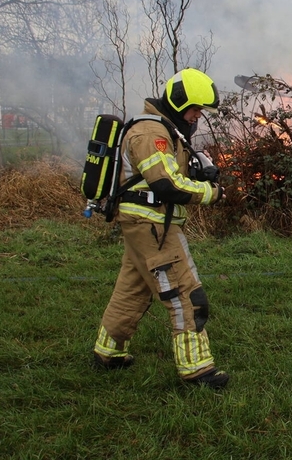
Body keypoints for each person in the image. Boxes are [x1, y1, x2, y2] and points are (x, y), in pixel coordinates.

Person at [92, 68, 230, 387]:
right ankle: (197, 370)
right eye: (195, 109)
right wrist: (210, 193)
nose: (197, 117)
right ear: (180, 102)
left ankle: (108, 351)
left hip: (144, 224)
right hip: (153, 224)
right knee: (185, 293)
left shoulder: (164, 129)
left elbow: (166, 173)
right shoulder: (150, 132)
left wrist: (198, 174)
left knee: (133, 290)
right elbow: (165, 184)